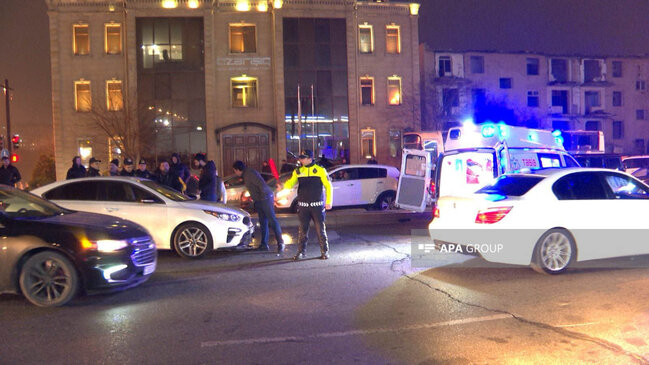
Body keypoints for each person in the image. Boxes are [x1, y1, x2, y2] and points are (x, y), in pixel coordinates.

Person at [281, 149, 332, 260]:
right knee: (303, 231)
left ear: (310, 158)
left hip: (317, 206)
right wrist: (283, 185)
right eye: (300, 158)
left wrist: (328, 202)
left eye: (303, 158)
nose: (301, 160)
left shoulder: (320, 170)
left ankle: (325, 251)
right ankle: (301, 252)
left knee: (321, 230)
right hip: (303, 206)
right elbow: (290, 184)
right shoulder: (298, 171)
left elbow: (328, 186)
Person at [233, 160, 284, 253]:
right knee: (263, 222)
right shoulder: (246, 174)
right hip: (260, 199)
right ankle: (264, 244)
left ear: (238, 169)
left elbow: (261, 185)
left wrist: (262, 197)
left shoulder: (250, 173)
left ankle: (280, 243)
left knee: (272, 220)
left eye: (235, 171)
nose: (235, 173)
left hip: (265, 199)